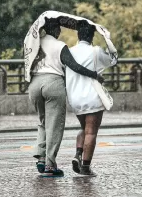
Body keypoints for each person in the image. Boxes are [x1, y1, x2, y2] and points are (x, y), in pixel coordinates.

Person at [28, 18, 103, 177]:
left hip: (34, 84)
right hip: (52, 84)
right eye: (59, 29)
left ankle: (41, 157)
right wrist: (93, 74)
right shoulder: (60, 45)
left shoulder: (34, 43)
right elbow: (74, 66)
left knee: (43, 122)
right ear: (55, 30)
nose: (60, 31)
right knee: (54, 125)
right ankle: (50, 165)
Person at [65, 20, 117, 176]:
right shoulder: (95, 51)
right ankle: (86, 168)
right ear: (92, 36)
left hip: (75, 99)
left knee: (84, 129)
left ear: (78, 35)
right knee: (91, 132)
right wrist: (108, 39)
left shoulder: (69, 52)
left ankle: (78, 155)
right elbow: (113, 59)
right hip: (92, 97)